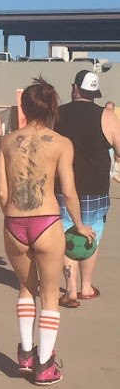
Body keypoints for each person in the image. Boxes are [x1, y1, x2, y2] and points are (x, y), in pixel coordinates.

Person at [0, 76, 95, 386]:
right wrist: (79, 225)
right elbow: (69, 192)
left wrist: (13, 217)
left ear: (23, 107)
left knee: (26, 288)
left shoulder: (6, 142)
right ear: (52, 108)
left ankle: (26, 355)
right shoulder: (61, 143)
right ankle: (44, 365)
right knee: (50, 294)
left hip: (14, 222)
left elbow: (2, 193)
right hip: (47, 222)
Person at [54, 71, 120, 306]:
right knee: (91, 236)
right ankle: (86, 287)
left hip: (63, 186)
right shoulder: (107, 116)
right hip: (96, 189)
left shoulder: (58, 114)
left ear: (75, 88)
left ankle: (70, 289)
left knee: (67, 236)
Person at [104, 101, 120, 183]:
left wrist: (117, 155)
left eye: (109, 109)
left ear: (113, 109)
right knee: (111, 174)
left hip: (111, 153)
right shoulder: (102, 119)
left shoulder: (115, 121)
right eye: (106, 109)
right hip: (105, 152)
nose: (108, 111)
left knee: (111, 174)